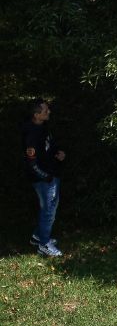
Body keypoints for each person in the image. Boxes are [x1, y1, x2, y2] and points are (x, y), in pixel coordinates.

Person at [23, 99, 64, 258]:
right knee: (48, 211)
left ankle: (38, 236)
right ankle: (44, 245)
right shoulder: (31, 134)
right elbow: (31, 162)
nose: (49, 112)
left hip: (52, 174)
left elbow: (50, 145)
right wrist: (45, 177)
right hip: (43, 179)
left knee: (50, 209)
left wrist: (58, 152)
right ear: (36, 115)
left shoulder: (44, 128)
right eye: (45, 111)